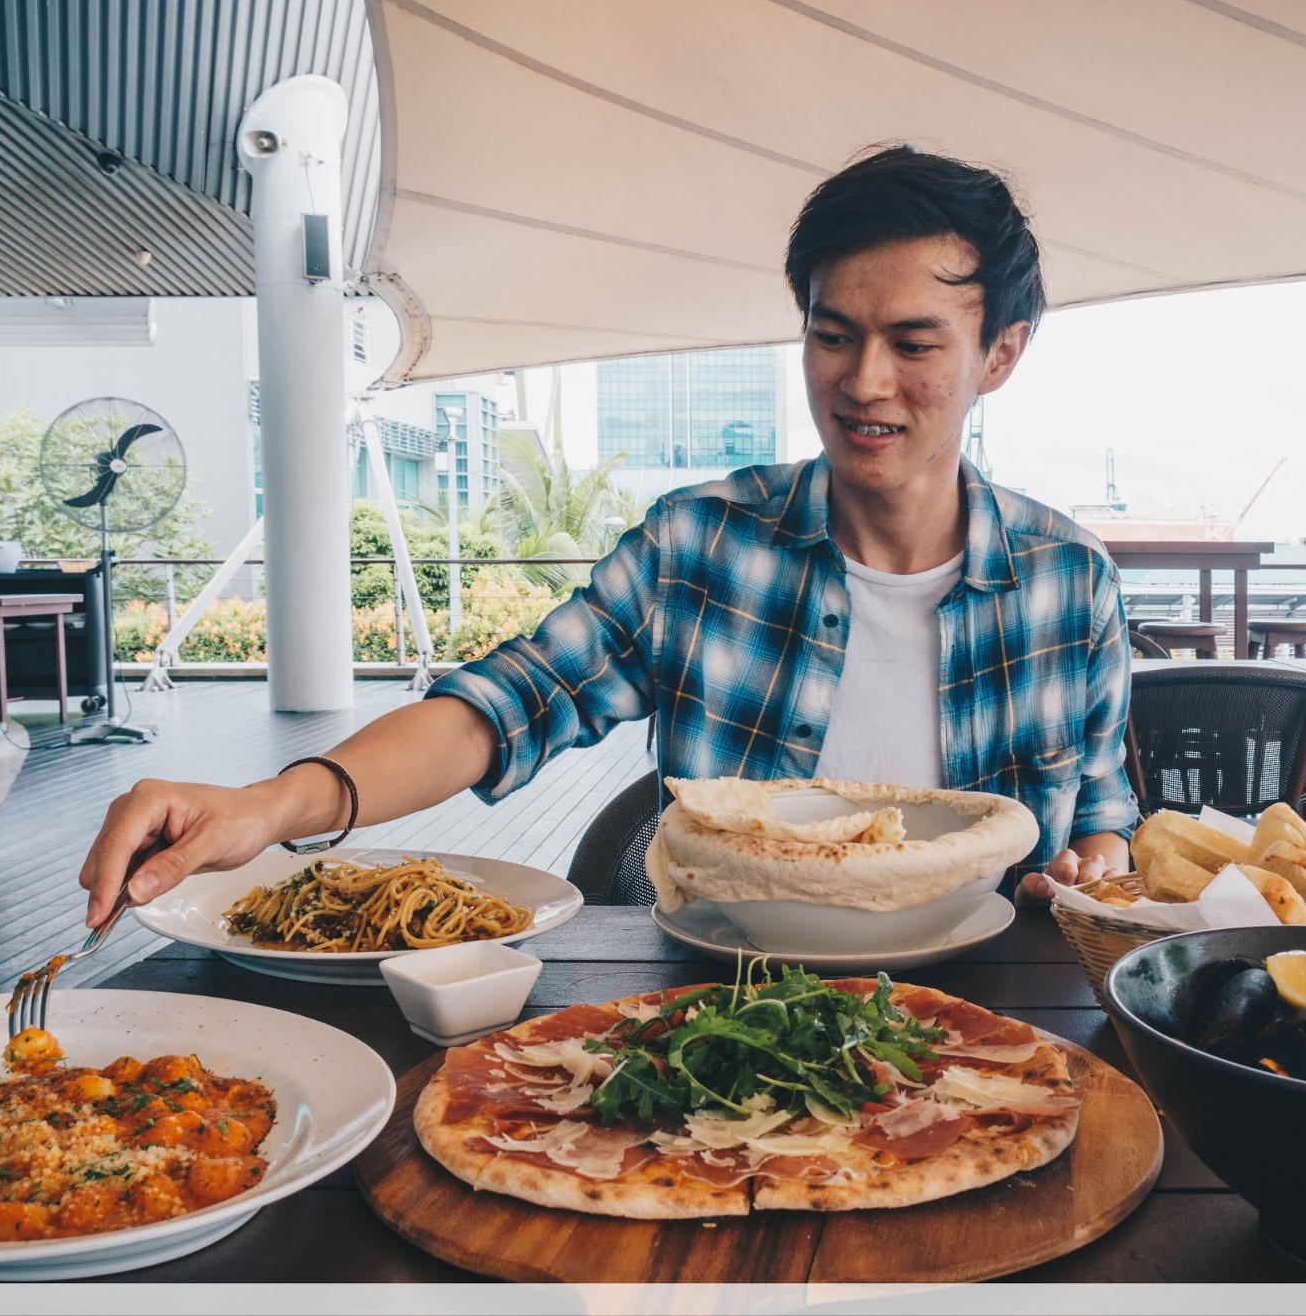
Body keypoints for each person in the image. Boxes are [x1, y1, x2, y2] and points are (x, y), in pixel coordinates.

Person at [79, 145, 1138, 925]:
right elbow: (503, 705)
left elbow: (1097, 818)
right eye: (830, 335)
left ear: (999, 352)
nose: (863, 383)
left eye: (912, 343)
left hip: (980, 1027)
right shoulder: (701, 548)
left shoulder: (1068, 583)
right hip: (727, 1009)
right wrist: (271, 803)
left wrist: (1090, 870)